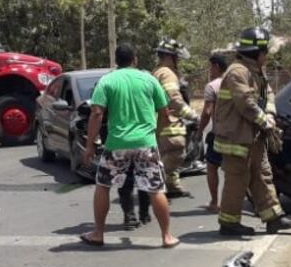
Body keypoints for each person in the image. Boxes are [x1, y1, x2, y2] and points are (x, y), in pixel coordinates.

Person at [81, 44, 179, 249]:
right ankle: (167, 236)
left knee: (103, 186)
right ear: (135, 59)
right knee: (155, 189)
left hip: (117, 143)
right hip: (146, 143)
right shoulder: (149, 79)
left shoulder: (107, 80)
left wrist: (90, 145)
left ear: (117, 61)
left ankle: (98, 233)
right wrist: (157, 134)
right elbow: (165, 113)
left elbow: (97, 113)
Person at [212, 27, 291, 237]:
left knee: (263, 175)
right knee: (237, 179)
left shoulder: (256, 71)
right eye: (266, 52)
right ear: (258, 53)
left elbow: (267, 94)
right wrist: (266, 123)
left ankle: (273, 219)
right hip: (236, 138)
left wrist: (270, 113)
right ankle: (229, 223)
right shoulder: (238, 72)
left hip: (253, 137)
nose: (268, 56)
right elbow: (246, 103)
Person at [151, 38, 198, 198]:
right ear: (170, 57)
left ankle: (172, 186)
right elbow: (174, 98)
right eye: (176, 57)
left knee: (169, 152)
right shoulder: (167, 73)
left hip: (162, 121)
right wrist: (191, 115)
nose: (178, 60)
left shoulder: (159, 71)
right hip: (168, 121)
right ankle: (153, 182)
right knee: (175, 151)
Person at [197, 53, 229, 213]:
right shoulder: (233, 83)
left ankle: (215, 202)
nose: (209, 70)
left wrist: (199, 131)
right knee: (234, 170)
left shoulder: (212, 86)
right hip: (236, 134)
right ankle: (231, 203)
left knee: (211, 167)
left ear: (216, 66)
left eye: (210, 66)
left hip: (218, 134)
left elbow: (207, 112)